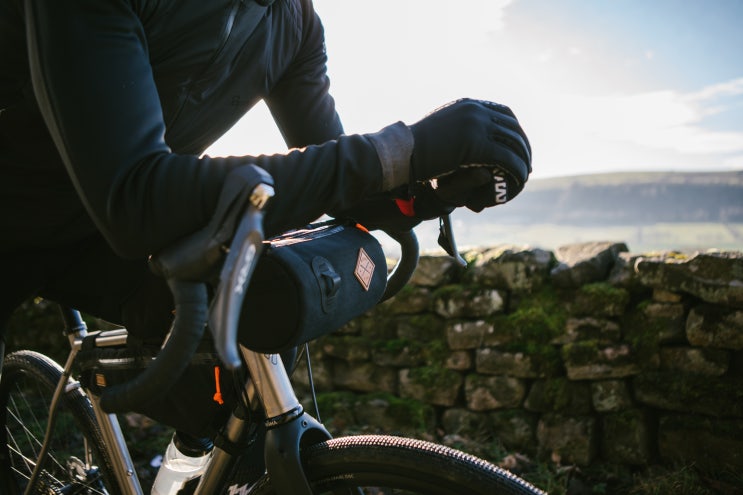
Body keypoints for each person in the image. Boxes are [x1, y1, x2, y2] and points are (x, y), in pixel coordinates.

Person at [0, 0, 530, 459]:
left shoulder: (293, 21)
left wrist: (425, 186)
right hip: (31, 218)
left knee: (243, 360)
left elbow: (344, 182)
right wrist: (396, 152)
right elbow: (136, 196)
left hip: (98, 235)